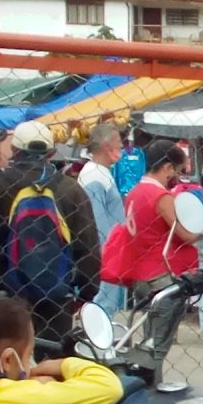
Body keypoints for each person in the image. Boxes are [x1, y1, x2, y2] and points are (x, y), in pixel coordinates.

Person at [0, 120, 100, 347]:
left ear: (14, 150)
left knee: (6, 361)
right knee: (51, 364)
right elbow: (88, 246)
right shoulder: (70, 189)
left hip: (5, 293)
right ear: (51, 152)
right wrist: (86, 291)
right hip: (55, 295)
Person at [118, 142, 203, 306]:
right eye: (178, 171)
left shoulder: (134, 193)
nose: (178, 177)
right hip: (161, 274)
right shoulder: (161, 197)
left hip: (139, 272)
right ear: (168, 168)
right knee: (164, 329)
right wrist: (201, 231)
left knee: (150, 325)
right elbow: (186, 235)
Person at [77, 123, 129, 314]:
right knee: (103, 305)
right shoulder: (94, 177)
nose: (122, 146)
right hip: (106, 254)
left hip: (112, 252)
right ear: (107, 146)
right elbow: (97, 221)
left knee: (108, 304)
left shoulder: (101, 173)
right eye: (118, 141)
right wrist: (108, 253)